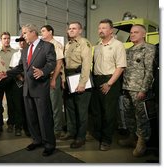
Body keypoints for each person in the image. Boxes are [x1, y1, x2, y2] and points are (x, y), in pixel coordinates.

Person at [0, 24, 56, 156]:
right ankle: (37, 140)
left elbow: (52, 63)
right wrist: (7, 74)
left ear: (33, 32)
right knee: (31, 118)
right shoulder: (25, 50)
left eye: (24, 33)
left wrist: (43, 71)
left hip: (40, 88)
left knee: (44, 117)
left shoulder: (47, 46)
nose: (23, 36)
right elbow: (20, 67)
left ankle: (49, 144)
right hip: (27, 89)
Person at [118, 24, 156, 157]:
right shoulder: (129, 50)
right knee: (128, 115)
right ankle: (132, 137)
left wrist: (144, 89)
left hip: (139, 89)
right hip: (127, 87)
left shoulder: (149, 48)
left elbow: (149, 70)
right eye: (131, 32)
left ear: (143, 34)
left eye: (136, 32)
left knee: (141, 117)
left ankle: (142, 142)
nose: (132, 34)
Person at [91, 19, 127, 151]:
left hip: (110, 80)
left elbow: (121, 67)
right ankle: (99, 134)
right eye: (99, 28)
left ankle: (106, 140)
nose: (101, 30)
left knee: (108, 112)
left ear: (111, 30)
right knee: (97, 111)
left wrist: (109, 83)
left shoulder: (118, 45)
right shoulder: (98, 45)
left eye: (104, 28)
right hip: (97, 80)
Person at [60, 22, 92, 149]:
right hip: (69, 77)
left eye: (74, 28)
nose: (71, 30)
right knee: (70, 108)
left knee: (81, 110)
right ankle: (71, 131)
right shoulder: (68, 44)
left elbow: (86, 64)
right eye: (69, 28)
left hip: (79, 77)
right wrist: (63, 79)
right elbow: (63, 64)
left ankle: (81, 137)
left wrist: (82, 83)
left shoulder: (84, 43)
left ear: (80, 30)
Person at [40, 25, 65, 139]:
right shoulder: (43, 45)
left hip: (53, 78)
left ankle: (57, 130)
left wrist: (54, 79)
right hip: (44, 79)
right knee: (47, 105)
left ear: (50, 32)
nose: (42, 33)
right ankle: (49, 128)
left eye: (43, 31)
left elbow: (59, 64)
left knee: (55, 105)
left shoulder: (56, 45)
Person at [9, 36, 30, 136]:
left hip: (30, 83)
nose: (21, 43)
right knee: (17, 106)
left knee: (28, 107)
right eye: (20, 42)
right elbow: (13, 68)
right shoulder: (15, 55)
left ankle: (28, 128)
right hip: (18, 83)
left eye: (23, 41)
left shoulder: (32, 53)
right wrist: (21, 78)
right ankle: (18, 127)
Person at [0, 32, 17, 133]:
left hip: (11, 80)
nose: (7, 40)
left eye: (8, 38)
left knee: (11, 103)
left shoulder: (15, 52)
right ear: (1, 40)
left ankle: (11, 123)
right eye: (4, 38)